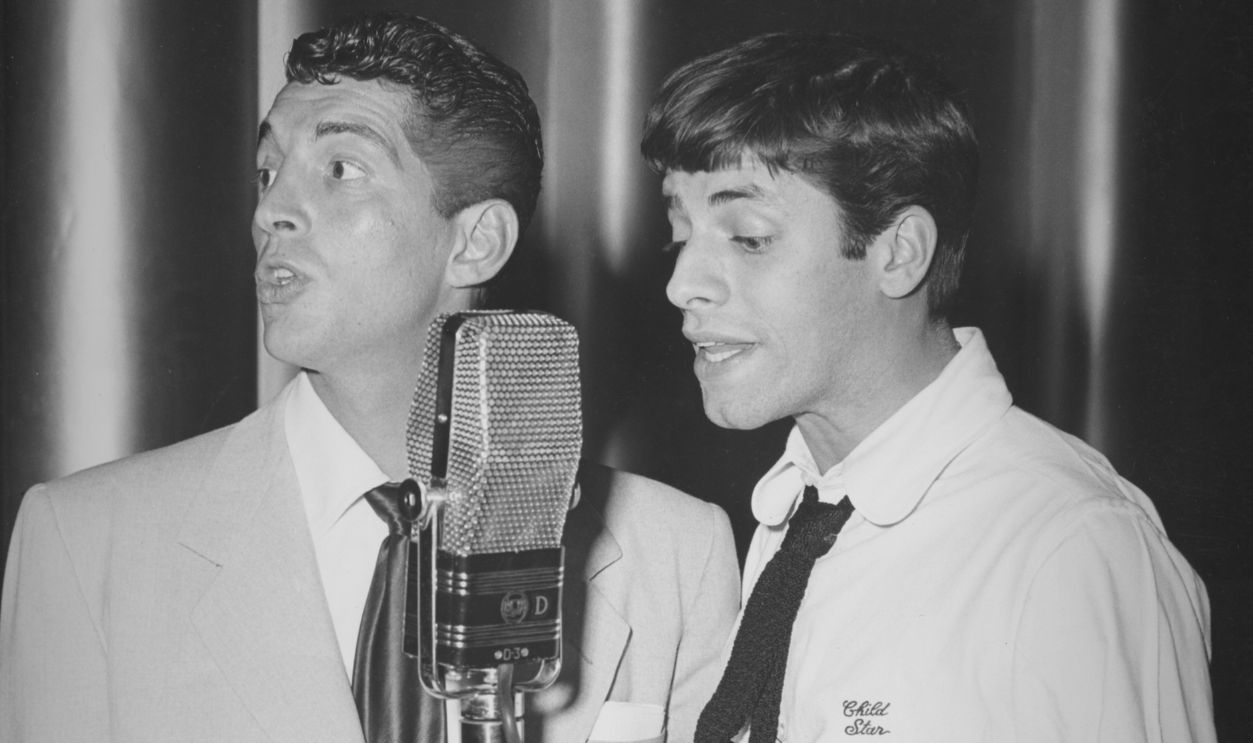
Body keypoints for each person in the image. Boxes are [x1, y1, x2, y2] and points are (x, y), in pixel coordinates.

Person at [0, 13, 738, 743]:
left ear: (476, 243)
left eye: (339, 170)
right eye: (267, 172)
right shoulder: (86, 540)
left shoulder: (675, 552)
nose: (272, 211)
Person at [640, 30, 1215, 742]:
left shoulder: (1069, 545)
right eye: (678, 233)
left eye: (748, 236)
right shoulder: (797, 515)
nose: (680, 284)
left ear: (898, 252)